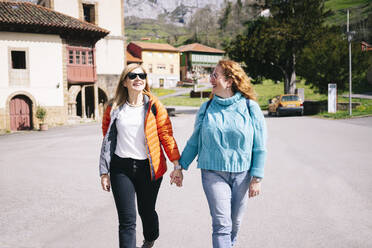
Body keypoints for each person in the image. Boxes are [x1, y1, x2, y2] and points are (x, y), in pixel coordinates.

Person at [171, 60, 267, 248]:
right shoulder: (206, 108)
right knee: (222, 224)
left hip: (243, 173)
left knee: (235, 223)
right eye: (211, 75)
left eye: (215, 75)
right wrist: (179, 166)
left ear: (229, 81)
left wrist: (257, 177)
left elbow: (260, 145)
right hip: (212, 173)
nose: (210, 79)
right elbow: (194, 142)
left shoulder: (250, 108)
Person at [99, 63, 182, 248]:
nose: (138, 79)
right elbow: (107, 139)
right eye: (133, 75)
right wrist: (104, 172)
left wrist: (177, 165)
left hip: (149, 168)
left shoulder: (154, 105)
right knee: (127, 220)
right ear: (125, 82)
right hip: (121, 168)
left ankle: (151, 237)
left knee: (146, 211)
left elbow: (166, 135)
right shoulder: (114, 108)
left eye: (142, 76)